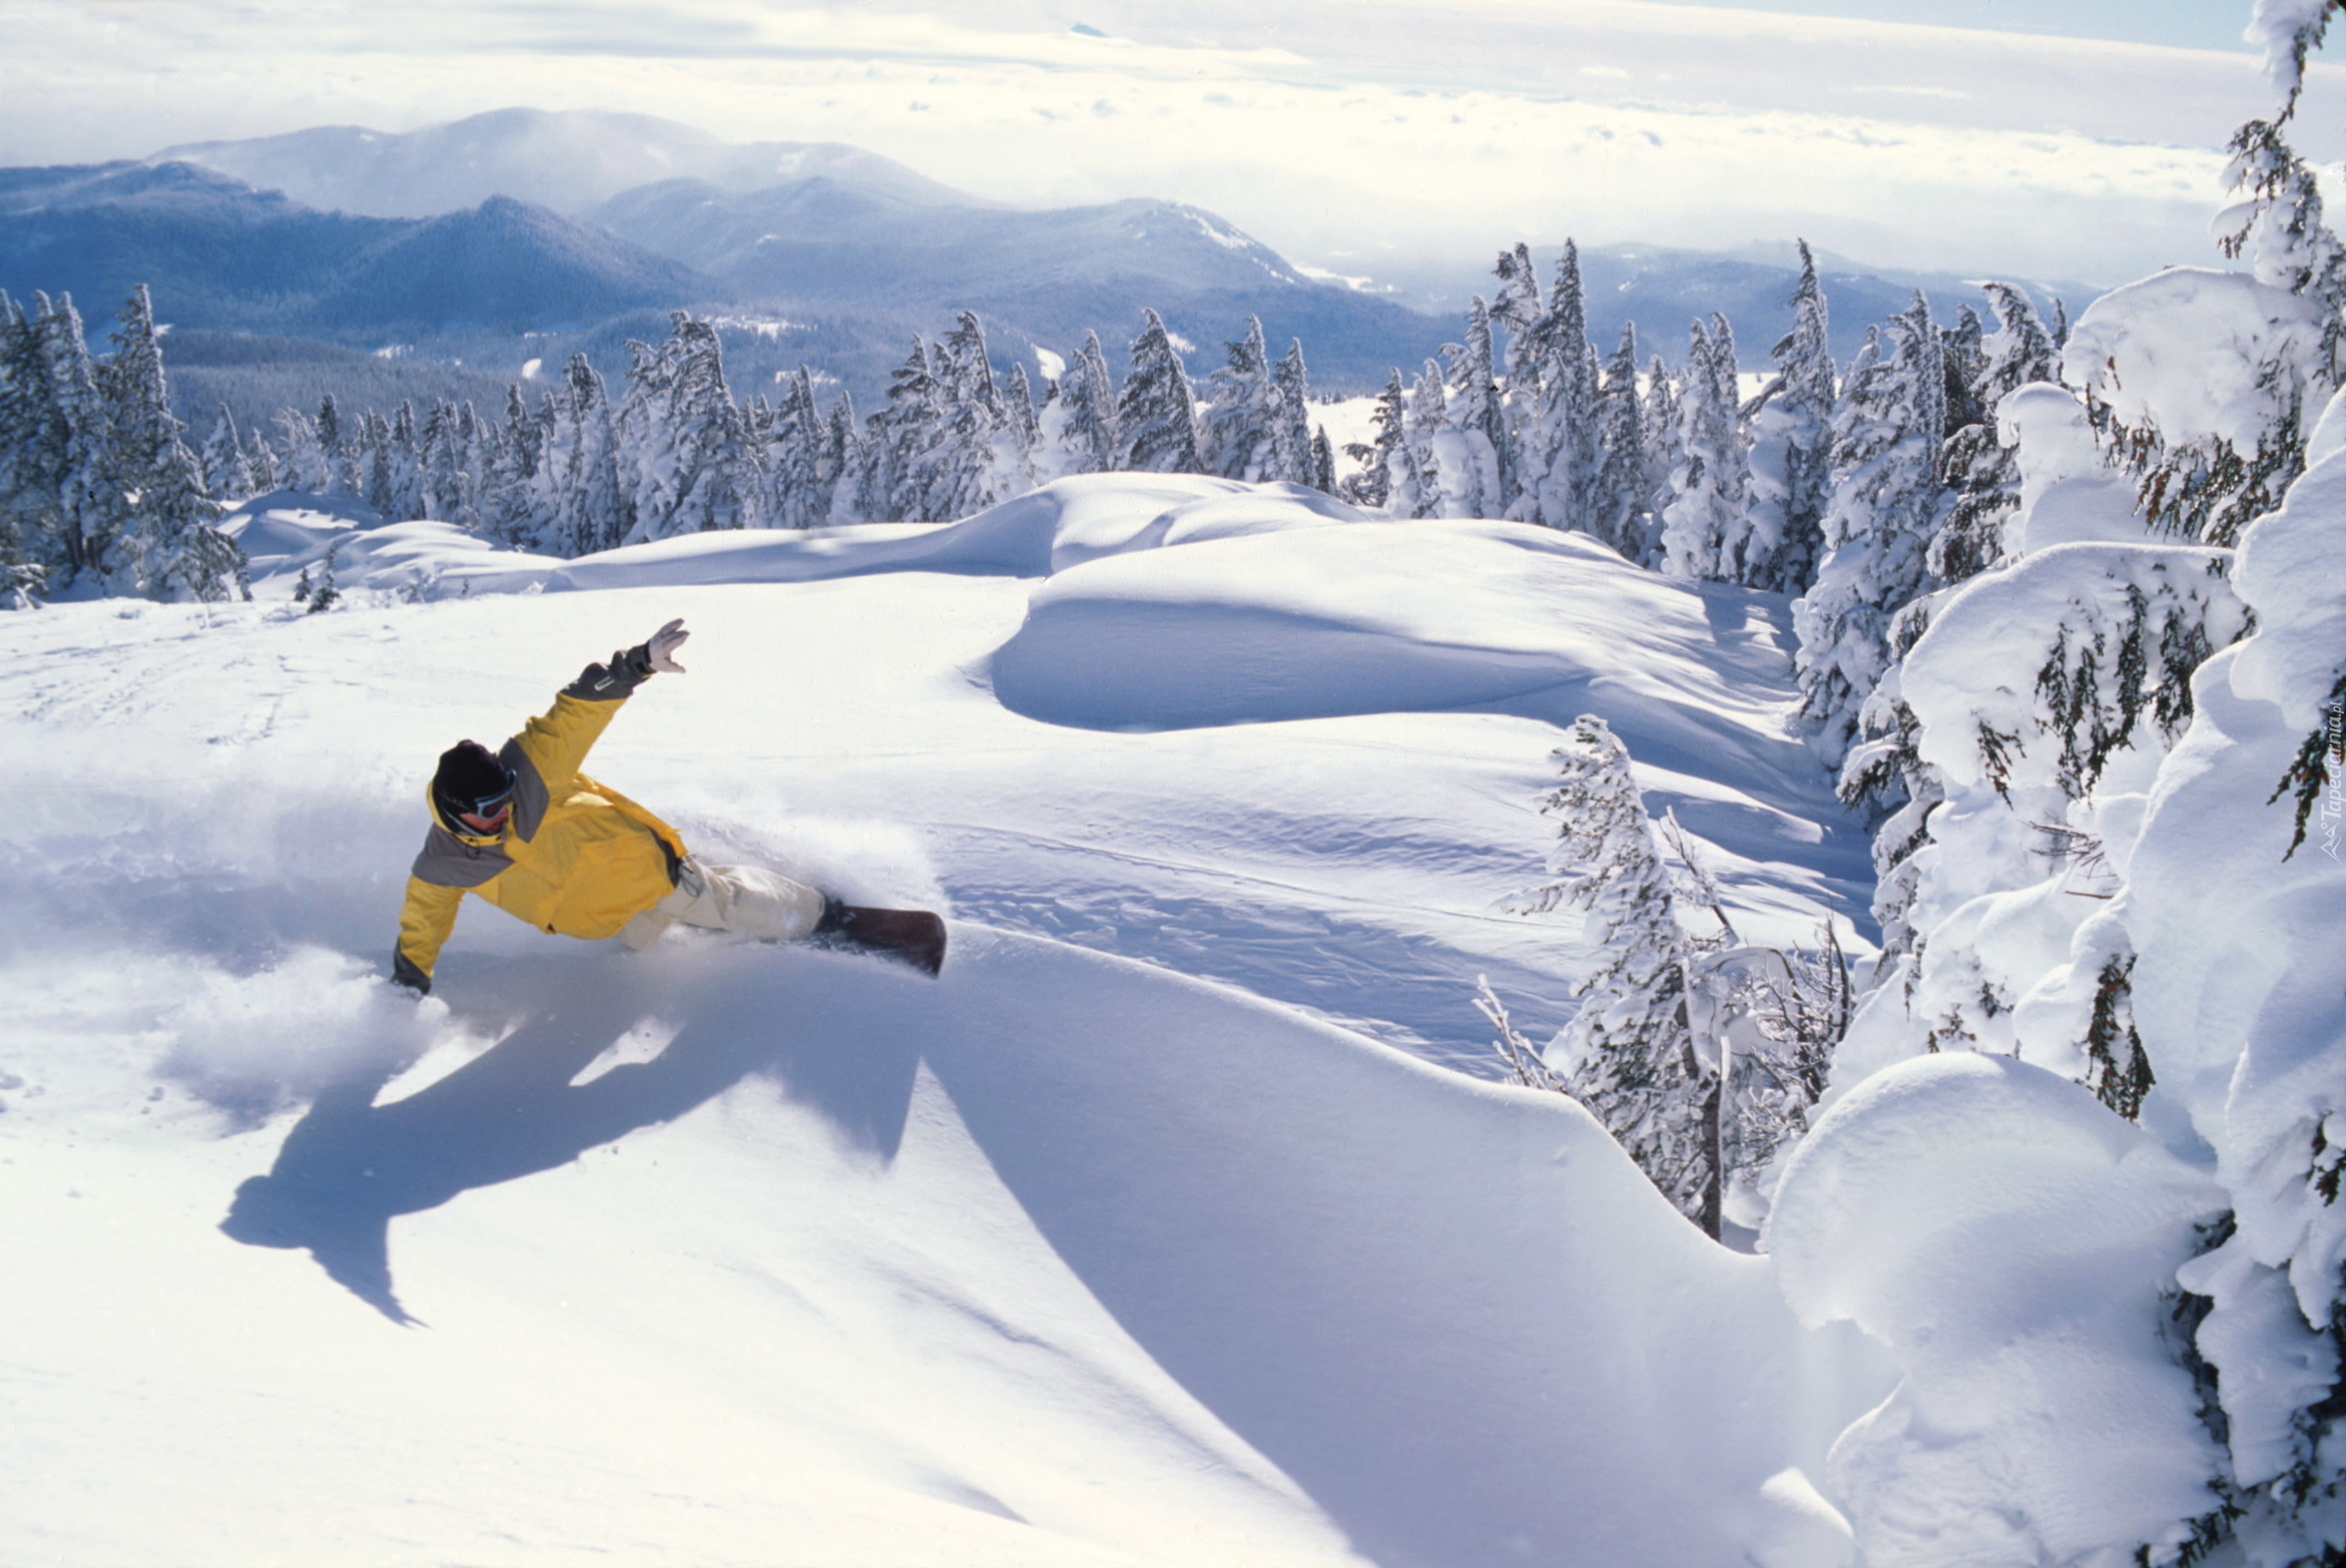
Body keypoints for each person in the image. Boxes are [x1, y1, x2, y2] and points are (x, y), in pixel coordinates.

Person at [391, 619, 942, 993]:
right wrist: (409, 985)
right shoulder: (442, 865)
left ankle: (829, 916)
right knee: (658, 938)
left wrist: (636, 665)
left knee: (726, 903)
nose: (504, 811)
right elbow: (423, 925)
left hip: (646, 873)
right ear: (456, 812)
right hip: (605, 922)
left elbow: (576, 711)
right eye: (489, 808)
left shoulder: (533, 768)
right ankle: (712, 923)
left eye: (505, 797)